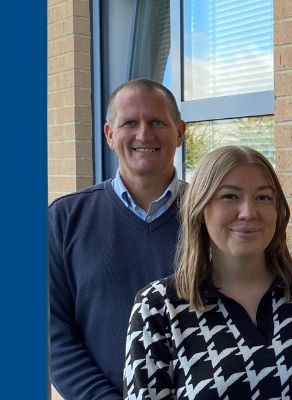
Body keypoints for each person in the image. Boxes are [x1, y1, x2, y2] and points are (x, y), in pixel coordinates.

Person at [124, 146, 292, 399]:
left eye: (263, 197)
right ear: (201, 209)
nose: (249, 212)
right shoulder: (159, 307)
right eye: (230, 196)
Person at [49, 79, 186, 399]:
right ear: (110, 135)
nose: (144, 134)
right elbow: (51, 335)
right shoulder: (64, 220)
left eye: (156, 122)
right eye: (129, 123)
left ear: (180, 132)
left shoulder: (210, 217)